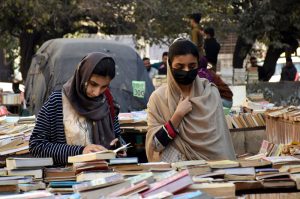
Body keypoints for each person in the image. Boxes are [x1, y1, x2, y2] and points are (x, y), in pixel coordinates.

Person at [146, 38, 235, 163]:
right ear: (170, 65)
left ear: (198, 64)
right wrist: (177, 116)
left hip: (213, 172)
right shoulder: (158, 98)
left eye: (192, 66)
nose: (187, 70)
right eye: (180, 66)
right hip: (177, 174)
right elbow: (155, 146)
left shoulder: (209, 93)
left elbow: (221, 141)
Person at [29, 52, 125, 165]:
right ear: (83, 75)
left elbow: (117, 135)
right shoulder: (57, 101)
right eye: (93, 84)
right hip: (68, 177)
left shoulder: (107, 102)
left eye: (104, 87)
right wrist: (80, 151)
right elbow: (36, 146)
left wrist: (119, 146)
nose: (97, 92)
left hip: (104, 176)